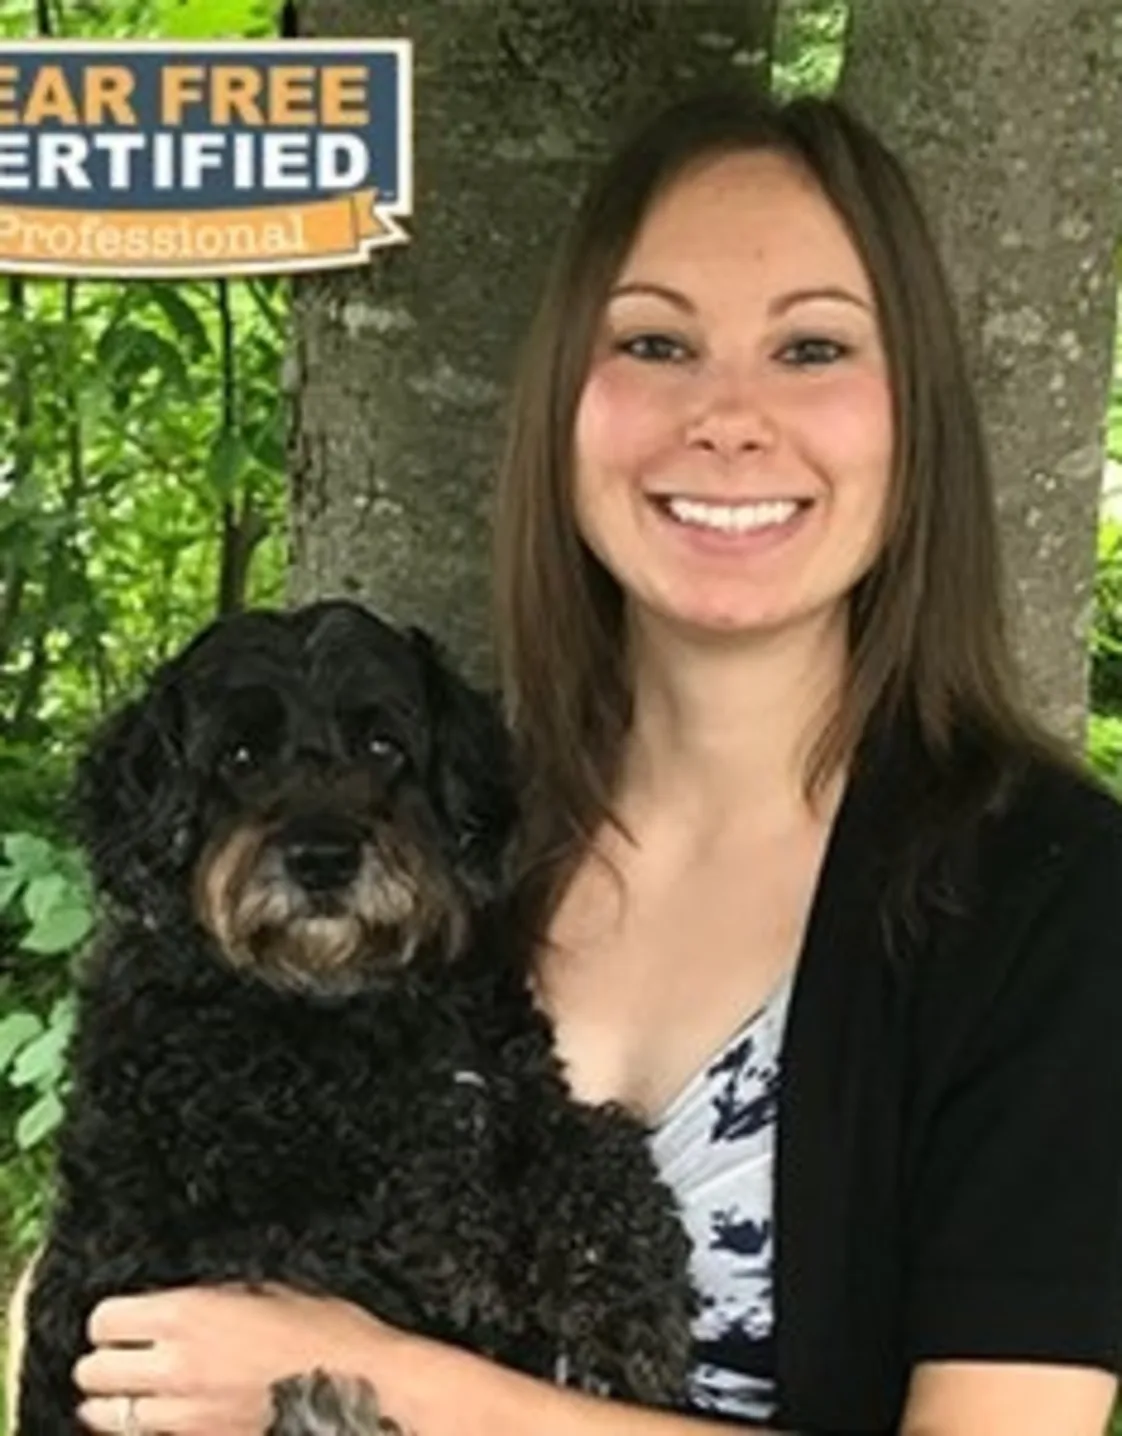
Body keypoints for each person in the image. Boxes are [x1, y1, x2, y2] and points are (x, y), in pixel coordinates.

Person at [19, 88, 1122, 1435]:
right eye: (655, 340)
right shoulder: (454, 820)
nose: (725, 416)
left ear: (918, 417)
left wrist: (390, 1392)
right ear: (562, 404)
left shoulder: (1046, 894)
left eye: (812, 348)